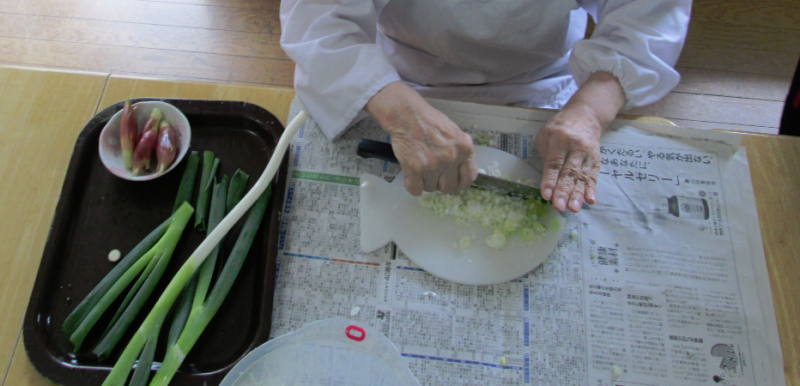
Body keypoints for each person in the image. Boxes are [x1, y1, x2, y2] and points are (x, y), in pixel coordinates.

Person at [280, 0, 691, 212]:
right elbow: (319, 20)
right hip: (403, 79)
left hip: (546, 83)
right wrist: (400, 112)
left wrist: (590, 111)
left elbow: (649, 15)